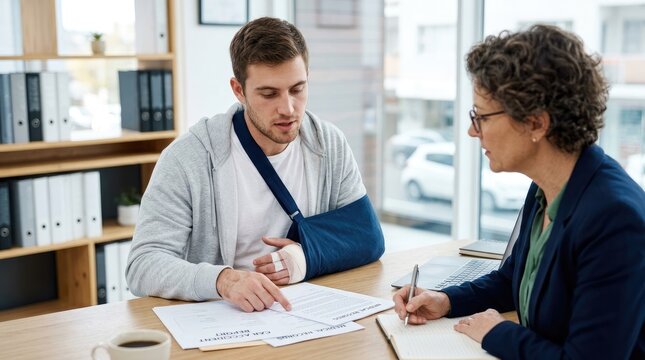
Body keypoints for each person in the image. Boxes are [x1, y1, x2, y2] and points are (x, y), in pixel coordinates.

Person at [394, 24, 645, 359]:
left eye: (481, 117)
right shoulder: (545, 187)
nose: (472, 130)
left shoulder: (614, 219)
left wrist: (498, 334)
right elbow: (513, 279)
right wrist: (448, 300)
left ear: (536, 123)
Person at [126, 17, 383, 313]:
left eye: (297, 89)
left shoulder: (328, 143)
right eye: (269, 94)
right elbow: (142, 265)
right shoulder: (188, 158)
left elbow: (367, 237)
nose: (288, 108)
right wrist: (223, 280)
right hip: (222, 317)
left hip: (304, 311)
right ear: (238, 90)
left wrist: (303, 258)